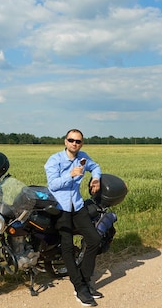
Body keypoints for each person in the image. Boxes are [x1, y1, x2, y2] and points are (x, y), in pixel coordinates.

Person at [44, 129, 103, 307]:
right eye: (71, 140)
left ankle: (84, 280)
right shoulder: (54, 160)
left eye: (78, 141)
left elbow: (96, 166)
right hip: (61, 208)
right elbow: (52, 184)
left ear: (81, 144)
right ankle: (80, 288)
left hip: (77, 205)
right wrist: (70, 175)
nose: (74, 144)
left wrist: (96, 179)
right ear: (65, 142)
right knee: (67, 247)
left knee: (94, 239)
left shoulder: (83, 157)